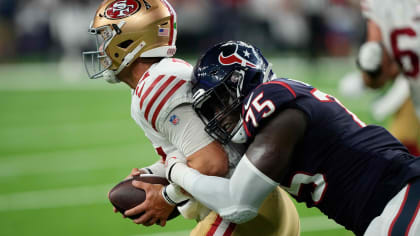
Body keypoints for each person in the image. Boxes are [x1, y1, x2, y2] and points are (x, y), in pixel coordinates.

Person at [143, 41, 420, 236]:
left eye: (219, 101)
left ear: (242, 80)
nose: (218, 115)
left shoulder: (267, 99)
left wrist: (175, 171)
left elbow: (238, 204)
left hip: (398, 197)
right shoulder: (275, 105)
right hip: (388, 202)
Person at [82, 1, 300, 235]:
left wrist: (167, 197)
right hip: (262, 203)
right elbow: (195, 151)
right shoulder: (163, 76)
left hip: (242, 208)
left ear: (129, 39)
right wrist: (152, 173)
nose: (102, 46)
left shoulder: (155, 86)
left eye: (106, 36)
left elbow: (212, 163)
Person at [357, 0, 420, 155]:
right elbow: (378, 77)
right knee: (399, 153)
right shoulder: (379, 4)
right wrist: (370, 66)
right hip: (414, 96)